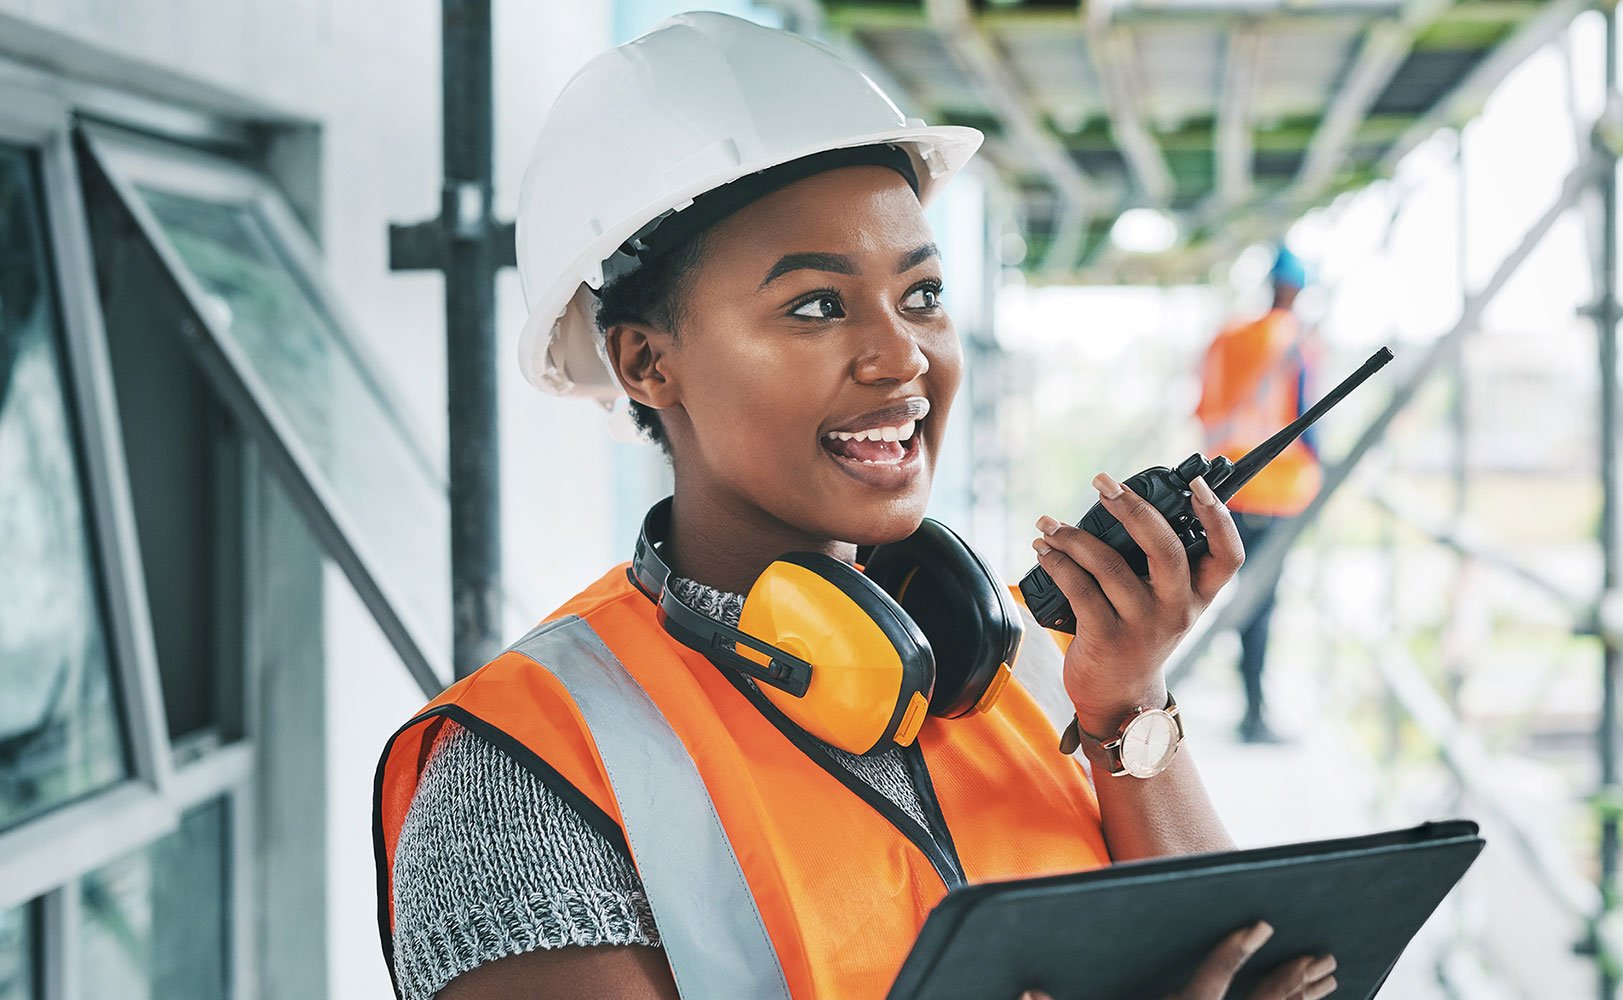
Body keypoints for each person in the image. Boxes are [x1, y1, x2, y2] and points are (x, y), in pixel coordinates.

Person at [371, 15, 1338, 1000]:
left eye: (921, 295)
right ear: (646, 362)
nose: (902, 356)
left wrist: (1126, 704)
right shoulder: (526, 773)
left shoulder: (1019, 671)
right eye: (817, 306)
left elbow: (1239, 958)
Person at [1194, 247, 1322, 744]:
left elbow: (1205, 407)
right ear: (1296, 290)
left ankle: (1247, 705)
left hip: (1224, 487)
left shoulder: (1227, 337)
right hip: (1276, 492)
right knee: (1260, 607)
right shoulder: (1294, 340)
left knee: (1231, 592)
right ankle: (1253, 714)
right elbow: (1306, 419)